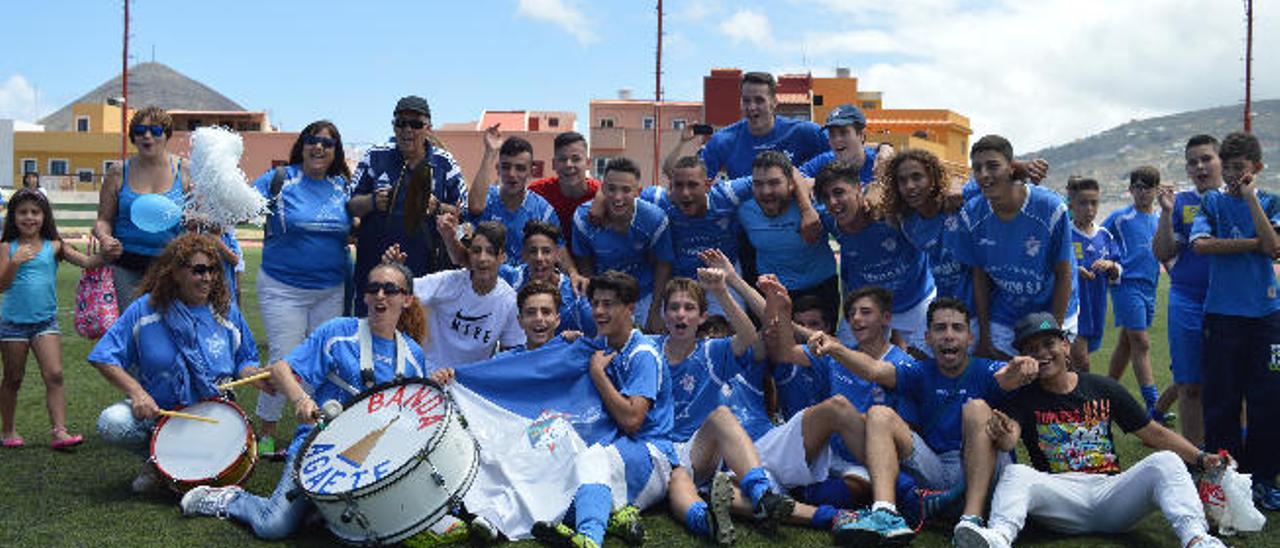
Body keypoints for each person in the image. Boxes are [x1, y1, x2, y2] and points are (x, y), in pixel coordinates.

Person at [178, 261, 436, 540]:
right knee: (273, 526)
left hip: (372, 459)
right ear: (364, 296)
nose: (380, 296)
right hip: (318, 449)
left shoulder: (412, 354)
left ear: (407, 299)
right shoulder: (338, 332)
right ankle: (230, 500)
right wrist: (301, 400)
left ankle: (317, 511)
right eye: (373, 288)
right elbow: (281, 369)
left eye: (390, 290)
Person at [952, 312, 1227, 548]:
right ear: (1025, 358)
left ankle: (1196, 538)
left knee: (1165, 461)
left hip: (1111, 493)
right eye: (1032, 349)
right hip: (1061, 497)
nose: (1043, 353)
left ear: (1066, 346)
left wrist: (1201, 458)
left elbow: (1153, 433)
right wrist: (1002, 432)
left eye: (1049, 343)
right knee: (1016, 473)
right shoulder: (1024, 397)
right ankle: (998, 537)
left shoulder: (1101, 387)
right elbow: (1010, 438)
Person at [805, 297, 1036, 546]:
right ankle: (884, 512)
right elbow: (874, 369)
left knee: (977, 408)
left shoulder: (986, 369)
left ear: (970, 338)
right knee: (879, 414)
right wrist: (834, 347)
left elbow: (1007, 375)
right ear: (927, 338)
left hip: (983, 469)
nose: (948, 335)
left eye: (957, 328)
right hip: (936, 470)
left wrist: (1021, 366)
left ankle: (972, 519)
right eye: (940, 328)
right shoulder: (920, 372)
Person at [88, 234, 260, 492]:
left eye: (213, 270)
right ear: (176, 272)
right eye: (199, 270)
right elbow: (104, 356)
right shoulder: (144, 310)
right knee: (113, 422)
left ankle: (173, 463)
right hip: (161, 414)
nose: (208, 278)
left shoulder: (225, 310)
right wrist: (137, 394)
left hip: (213, 414)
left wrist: (256, 374)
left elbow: (245, 358)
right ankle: (157, 460)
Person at [532, 271, 675, 548]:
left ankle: (589, 539)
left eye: (608, 304)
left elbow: (632, 420)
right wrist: (568, 340)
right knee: (561, 467)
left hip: (653, 455)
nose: (598, 311)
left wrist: (598, 375)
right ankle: (612, 518)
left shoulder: (643, 354)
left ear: (630, 308)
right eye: (595, 303)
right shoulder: (604, 344)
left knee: (592, 459)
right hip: (621, 450)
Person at [656, 272, 795, 545]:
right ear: (663, 314)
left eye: (689, 308)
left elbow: (749, 338)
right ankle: (707, 521)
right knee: (679, 482)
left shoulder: (712, 351)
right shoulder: (648, 348)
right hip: (661, 450)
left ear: (702, 316)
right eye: (673, 307)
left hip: (700, 447)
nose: (680, 315)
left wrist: (721, 291)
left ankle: (762, 494)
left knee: (722, 416)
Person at [248, 120, 354, 459]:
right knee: (284, 357)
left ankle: (308, 431)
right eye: (312, 140)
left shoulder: (342, 187)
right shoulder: (280, 180)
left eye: (327, 142)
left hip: (330, 289)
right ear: (302, 145)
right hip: (283, 288)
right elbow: (242, 203)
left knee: (322, 360)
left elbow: (354, 229)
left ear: (336, 152)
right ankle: (266, 431)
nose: (319, 147)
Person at [1189, 131, 1280, 510]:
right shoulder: (1210, 202)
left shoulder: (1271, 200)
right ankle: (1226, 478)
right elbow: (1201, 245)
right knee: (1222, 402)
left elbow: (1275, 246)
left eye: (1239, 169)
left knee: (1269, 400)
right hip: (1223, 317)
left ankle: (1262, 481)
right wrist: (1252, 245)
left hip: (1268, 318)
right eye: (1227, 168)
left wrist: (1251, 200)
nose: (1231, 175)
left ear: (1256, 169)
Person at [951, 135, 1078, 359]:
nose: (984, 175)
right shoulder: (971, 215)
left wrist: (1053, 334)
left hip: (1053, 307)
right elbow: (979, 277)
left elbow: (1064, 275)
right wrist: (985, 337)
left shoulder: (1050, 208)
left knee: (1048, 374)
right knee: (1007, 380)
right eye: (977, 168)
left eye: (993, 166)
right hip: (1006, 312)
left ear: (1012, 168)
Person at [0, 189, 105, 449]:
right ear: (13, 217)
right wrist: (14, 262)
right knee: (13, 378)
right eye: (23, 212)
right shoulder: (6, 247)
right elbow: (1, 285)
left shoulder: (55, 246)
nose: (29, 217)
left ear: (44, 216)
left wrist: (108, 251)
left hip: (45, 323)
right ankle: (8, 430)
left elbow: (89, 262)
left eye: (35, 212)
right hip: (12, 324)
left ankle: (59, 431)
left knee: (55, 374)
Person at [348, 95, 466, 315]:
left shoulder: (444, 162)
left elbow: (463, 210)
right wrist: (372, 201)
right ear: (394, 126)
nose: (407, 130)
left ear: (428, 128)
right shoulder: (375, 156)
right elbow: (350, 204)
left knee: (419, 339)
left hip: (425, 274)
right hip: (374, 269)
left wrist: (438, 207)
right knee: (371, 335)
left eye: (416, 124)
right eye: (401, 123)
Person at [816, 162, 935, 352]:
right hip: (867, 308)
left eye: (839, 192)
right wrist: (807, 210)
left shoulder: (890, 213)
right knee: (846, 361)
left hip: (916, 302)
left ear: (858, 188)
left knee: (931, 367)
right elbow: (797, 180)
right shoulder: (826, 220)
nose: (832, 202)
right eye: (826, 197)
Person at [1151, 135, 1223, 447]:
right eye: (1193, 162)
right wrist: (1166, 213)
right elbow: (1162, 252)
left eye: (1206, 159)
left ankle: (1235, 454)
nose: (1200, 166)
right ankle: (1197, 460)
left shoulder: (1237, 199)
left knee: (1233, 383)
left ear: (1220, 161)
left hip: (1230, 302)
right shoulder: (1180, 203)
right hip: (1187, 300)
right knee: (1189, 385)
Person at [388, 220, 525, 368]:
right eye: (476, 251)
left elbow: (513, 352)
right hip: (429, 375)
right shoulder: (447, 282)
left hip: (470, 384)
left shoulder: (509, 301)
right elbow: (402, 292)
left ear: (502, 257)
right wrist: (393, 272)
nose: (482, 258)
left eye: (490, 252)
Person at [93, 106, 191, 311]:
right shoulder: (118, 172)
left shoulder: (185, 170)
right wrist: (105, 238)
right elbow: (103, 220)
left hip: (171, 266)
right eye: (139, 131)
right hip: (126, 264)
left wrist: (195, 219)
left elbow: (201, 217)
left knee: (169, 328)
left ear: (166, 135)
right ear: (133, 137)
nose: (147, 136)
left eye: (155, 131)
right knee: (133, 328)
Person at [638, 156, 752, 316]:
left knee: (730, 332)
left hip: (722, 276)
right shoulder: (657, 200)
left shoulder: (727, 195)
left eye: (692, 185)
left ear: (707, 185)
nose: (685, 193)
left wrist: (802, 211)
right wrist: (600, 202)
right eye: (679, 185)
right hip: (679, 280)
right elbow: (620, 197)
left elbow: (781, 174)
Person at [572, 157, 674, 332]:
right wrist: (596, 303)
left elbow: (663, 266)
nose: (618, 197)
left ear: (637, 191)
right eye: (611, 189)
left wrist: (655, 311)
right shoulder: (583, 218)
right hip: (604, 294)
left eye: (626, 190)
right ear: (602, 189)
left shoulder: (654, 219)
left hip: (643, 294)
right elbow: (585, 264)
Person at [736, 151, 838, 315]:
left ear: (792, 184)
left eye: (774, 183)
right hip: (772, 291)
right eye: (758, 184)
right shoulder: (743, 210)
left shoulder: (815, 205)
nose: (766, 191)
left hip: (820, 289)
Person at [1102, 166, 1163, 419]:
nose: (1142, 192)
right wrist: (1109, 263)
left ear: (1156, 190)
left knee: (1127, 344)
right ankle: (1154, 405)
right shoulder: (1120, 217)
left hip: (1150, 286)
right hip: (1126, 285)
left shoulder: (1160, 220)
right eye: (1137, 186)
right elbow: (1097, 236)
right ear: (1130, 189)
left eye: (1147, 187)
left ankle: (1103, 396)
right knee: (1141, 341)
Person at [883, 148, 973, 311]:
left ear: (933, 178)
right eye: (902, 180)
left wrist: (1018, 166)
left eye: (917, 177)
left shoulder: (958, 201)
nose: (910, 186)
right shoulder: (908, 224)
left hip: (984, 307)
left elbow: (993, 181)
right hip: (947, 309)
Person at [700, 72, 827, 180]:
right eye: (746, 100)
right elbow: (697, 179)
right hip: (744, 208)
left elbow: (840, 154)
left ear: (774, 102)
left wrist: (804, 175)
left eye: (759, 100)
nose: (751, 107)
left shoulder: (802, 132)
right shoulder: (723, 140)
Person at [464, 127, 559, 265]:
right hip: (488, 282)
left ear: (531, 172)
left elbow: (559, 249)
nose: (512, 174)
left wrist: (573, 273)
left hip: (526, 285)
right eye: (506, 167)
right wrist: (490, 152)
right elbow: (475, 207)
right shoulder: (486, 197)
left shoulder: (544, 211)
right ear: (498, 169)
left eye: (520, 168)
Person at [498, 221, 594, 337]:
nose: (539, 258)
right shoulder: (510, 279)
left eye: (546, 251)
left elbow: (597, 338)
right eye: (533, 251)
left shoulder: (576, 296)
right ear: (524, 255)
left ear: (557, 255)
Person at [1065, 177, 1120, 372]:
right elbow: (1050, 268)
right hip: (1070, 310)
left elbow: (1117, 271)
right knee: (1081, 362)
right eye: (1083, 203)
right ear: (1072, 205)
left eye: (1094, 203)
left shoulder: (1105, 235)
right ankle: (1083, 400)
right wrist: (1072, 272)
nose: (1089, 208)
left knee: (1075, 363)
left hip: (1096, 307)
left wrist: (1110, 265)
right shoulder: (1064, 233)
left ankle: (1066, 399)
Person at [529, 131, 600, 270]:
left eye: (576, 159)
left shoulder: (602, 194)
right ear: (554, 164)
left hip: (594, 270)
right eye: (562, 159)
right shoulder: (537, 193)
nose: (569, 164)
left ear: (588, 163)